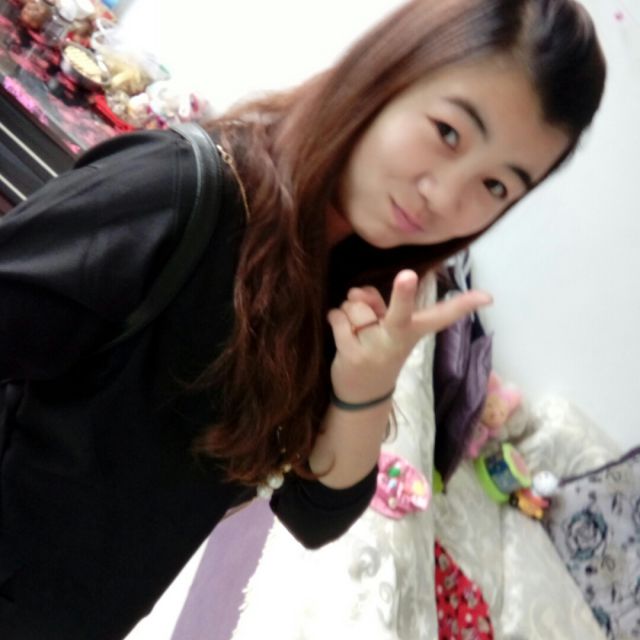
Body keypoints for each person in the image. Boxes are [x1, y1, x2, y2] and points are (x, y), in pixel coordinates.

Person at [0, 0, 605, 638]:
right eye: (449, 132)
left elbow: (315, 514)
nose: (445, 197)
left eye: (496, 186)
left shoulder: (355, 283)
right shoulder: (175, 195)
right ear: (389, 73)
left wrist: (367, 388)